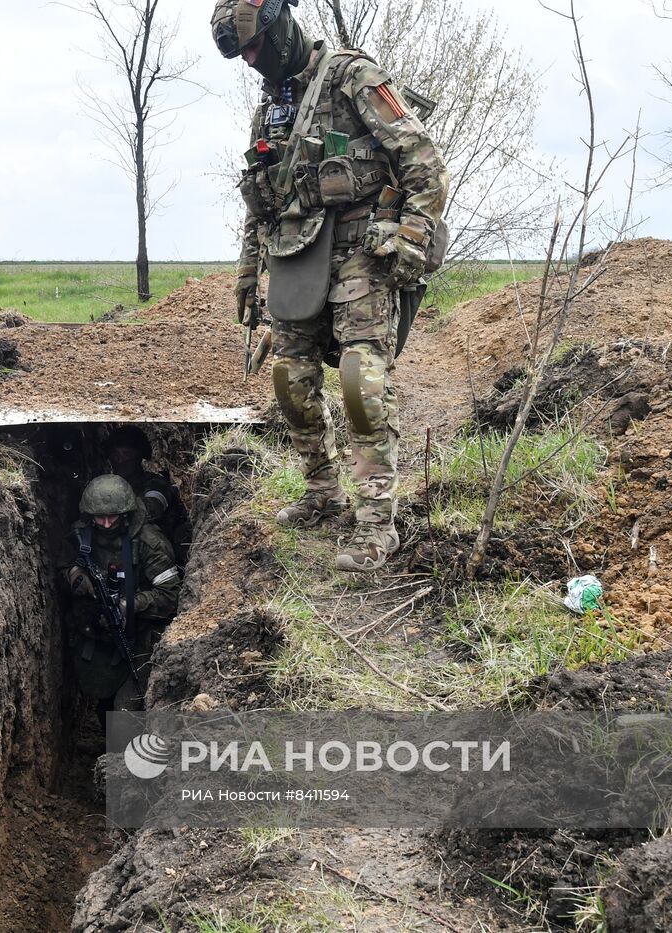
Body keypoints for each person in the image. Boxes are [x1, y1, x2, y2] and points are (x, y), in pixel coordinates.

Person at [211, 0, 450, 571]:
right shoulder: (270, 106)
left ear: (279, 27)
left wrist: (412, 238)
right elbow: (259, 198)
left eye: (253, 48)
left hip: (362, 250)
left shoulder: (351, 77)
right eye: (239, 54)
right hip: (295, 254)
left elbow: (423, 160)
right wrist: (248, 271)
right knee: (290, 378)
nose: (249, 62)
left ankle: (375, 525)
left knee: (360, 380)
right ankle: (323, 493)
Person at [65, 474, 181, 716]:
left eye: (112, 517)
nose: (106, 524)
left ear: (126, 514)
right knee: (103, 704)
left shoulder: (150, 544)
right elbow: (58, 566)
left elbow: (170, 597)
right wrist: (75, 575)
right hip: (98, 636)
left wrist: (129, 604)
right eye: (100, 518)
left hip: (141, 638)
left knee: (126, 710)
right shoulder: (81, 534)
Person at [104, 425, 192, 564]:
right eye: (116, 455)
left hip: (162, 557)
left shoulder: (156, 484)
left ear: (139, 456)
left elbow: (152, 509)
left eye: (127, 454)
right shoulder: (107, 485)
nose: (120, 460)